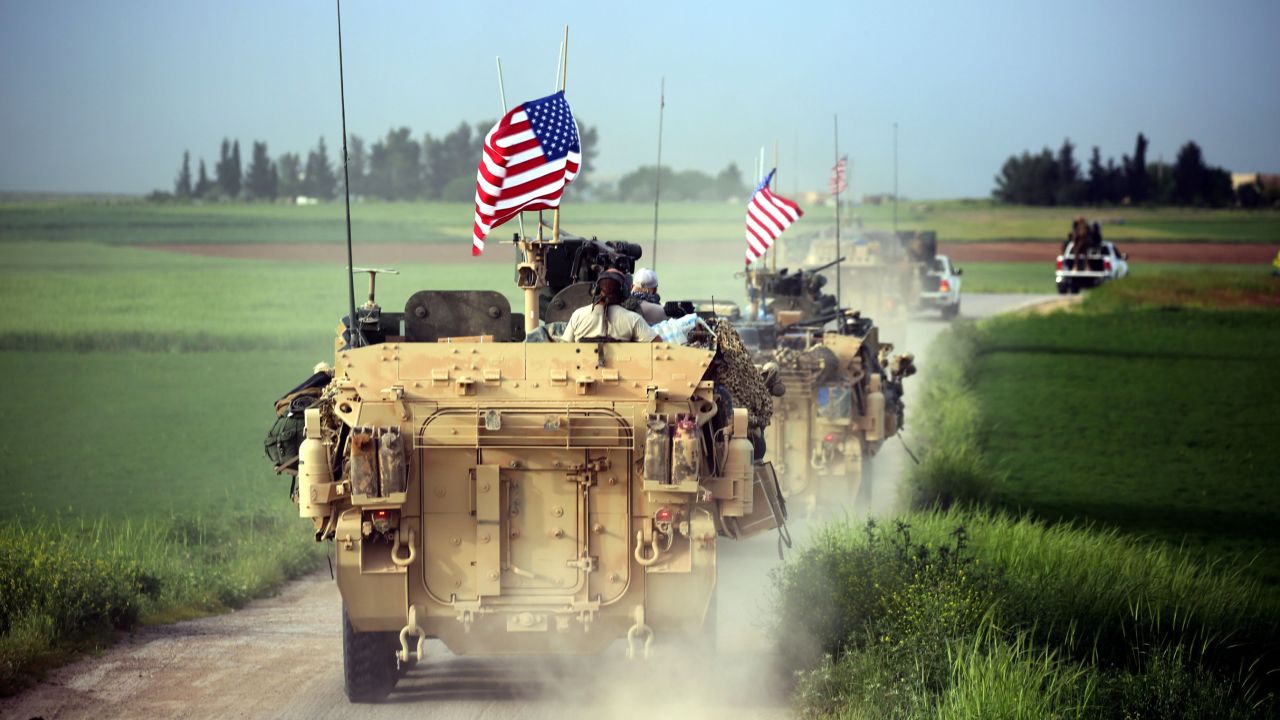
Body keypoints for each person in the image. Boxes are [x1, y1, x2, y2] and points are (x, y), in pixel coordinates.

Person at [561, 268, 659, 342]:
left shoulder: (578, 315)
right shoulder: (633, 319)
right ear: (624, 291)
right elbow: (658, 344)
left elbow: (564, 347)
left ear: (596, 290)